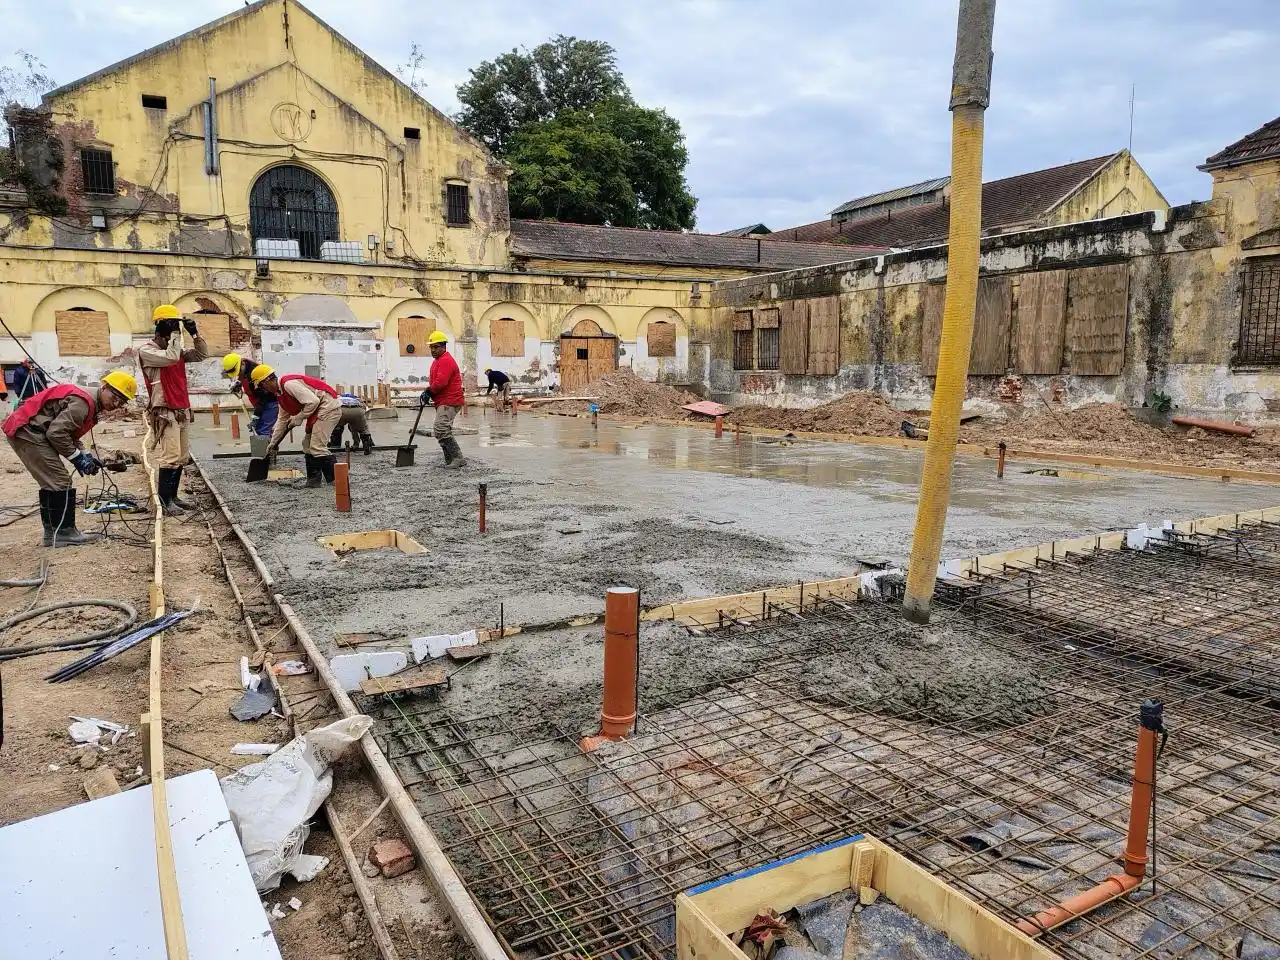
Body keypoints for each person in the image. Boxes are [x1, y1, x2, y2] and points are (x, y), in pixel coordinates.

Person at [2, 371, 137, 547]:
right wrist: (77, 458)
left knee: (54, 481)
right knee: (59, 480)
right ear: (104, 387)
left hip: (32, 431)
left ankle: (54, 532)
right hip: (28, 432)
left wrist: (86, 455)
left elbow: (69, 432)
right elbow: (56, 434)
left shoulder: (91, 403)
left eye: (122, 400)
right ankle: (64, 533)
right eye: (116, 396)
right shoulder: (83, 403)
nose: (117, 403)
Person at [140, 304, 208, 516]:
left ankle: (174, 497)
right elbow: (170, 358)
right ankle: (164, 500)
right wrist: (176, 336)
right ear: (160, 329)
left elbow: (200, 355)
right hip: (164, 410)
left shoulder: (175, 349)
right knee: (170, 456)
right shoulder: (147, 351)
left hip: (180, 407)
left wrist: (194, 333)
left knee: (181, 456)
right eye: (169, 327)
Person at [252, 365, 342, 488]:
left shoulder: (289, 384)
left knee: (317, 446)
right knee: (307, 444)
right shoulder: (280, 395)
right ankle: (313, 482)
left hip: (328, 407)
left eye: (261, 385)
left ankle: (337, 482)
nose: (263, 389)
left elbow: (313, 401)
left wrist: (299, 417)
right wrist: (272, 444)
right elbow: (282, 421)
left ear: (266, 380)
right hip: (318, 410)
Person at [418, 330, 466, 468]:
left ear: (444, 346)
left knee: (441, 428)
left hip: (450, 400)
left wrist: (429, 391)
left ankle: (458, 458)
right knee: (442, 430)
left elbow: (441, 382)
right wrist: (429, 393)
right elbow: (436, 382)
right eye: (431, 347)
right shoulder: (437, 361)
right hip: (443, 400)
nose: (433, 350)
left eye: (436, 347)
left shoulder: (445, 360)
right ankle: (449, 459)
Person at [221, 352, 279, 436]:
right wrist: (238, 384)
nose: (238, 374)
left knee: (263, 431)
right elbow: (243, 380)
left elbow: (264, 398)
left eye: (238, 372)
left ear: (242, 363)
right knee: (259, 430)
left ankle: (266, 448)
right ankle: (268, 446)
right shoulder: (244, 368)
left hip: (269, 403)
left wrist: (256, 417)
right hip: (259, 403)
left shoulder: (256, 373)